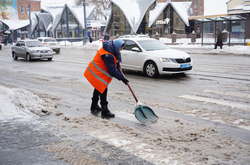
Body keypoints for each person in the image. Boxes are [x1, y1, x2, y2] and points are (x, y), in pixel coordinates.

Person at [84, 39, 129, 119]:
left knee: (98, 88)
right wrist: (122, 78)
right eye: (120, 48)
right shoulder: (108, 55)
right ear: (116, 47)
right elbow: (112, 71)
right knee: (103, 90)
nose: (120, 50)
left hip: (98, 73)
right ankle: (105, 111)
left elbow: (116, 63)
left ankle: (94, 106)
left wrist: (118, 65)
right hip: (96, 73)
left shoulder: (111, 50)